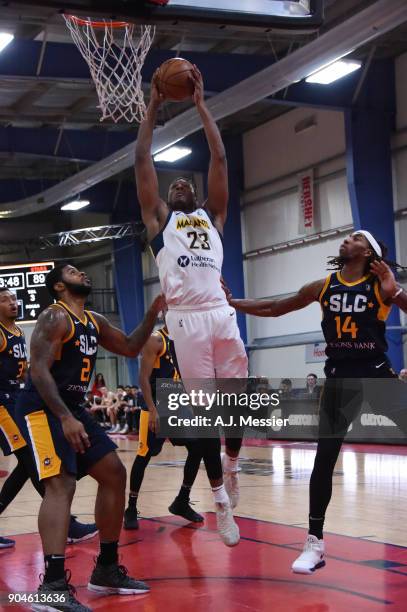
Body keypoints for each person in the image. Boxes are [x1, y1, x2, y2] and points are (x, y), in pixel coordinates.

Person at [226, 230, 407, 572]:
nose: (347, 240)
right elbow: (276, 307)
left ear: (368, 251)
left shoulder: (380, 285)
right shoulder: (324, 286)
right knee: (323, 460)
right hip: (339, 380)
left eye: (355, 238)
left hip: (377, 375)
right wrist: (233, 303)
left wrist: (395, 292)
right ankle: (314, 543)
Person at [135, 64, 248, 546]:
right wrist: (154, 105)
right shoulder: (160, 221)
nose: (179, 184)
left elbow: (220, 157)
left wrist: (202, 106)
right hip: (185, 321)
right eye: (173, 184)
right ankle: (219, 500)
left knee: (241, 405)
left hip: (221, 314)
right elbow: (142, 161)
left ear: (197, 194)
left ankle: (233, 464)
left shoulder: (212, 216)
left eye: (186, 183)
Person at [15, 263, 165, 611]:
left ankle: (107, 570)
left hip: (71, 405)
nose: (81, 272)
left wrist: (152, 313)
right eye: (71, 271)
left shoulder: (93, 320)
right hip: (41, 406)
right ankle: (52, 585)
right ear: (58, 287)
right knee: (61, 484)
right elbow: (38, 369)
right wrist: (66, 417)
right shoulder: (55, 317)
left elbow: (129, 346)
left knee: (114, 472)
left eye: (81, 269)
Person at [0, 288, 97, 548]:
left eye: (12, 298)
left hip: (16, 400)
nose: (12, 302)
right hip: (2, 405)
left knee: (26, 465)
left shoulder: (19, 332)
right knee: (31, 461)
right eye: (4, 300)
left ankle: (65, 521)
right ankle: (67, 524)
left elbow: (23, 373)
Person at [124, 325, 203, 530]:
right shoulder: (156, 339)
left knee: (198, 447)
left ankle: (182, 501)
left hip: (176, 403)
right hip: (156, 405)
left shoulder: (186, 341)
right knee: (145, 455)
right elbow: (142, 378)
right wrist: (152, 409)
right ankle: (131, 508)